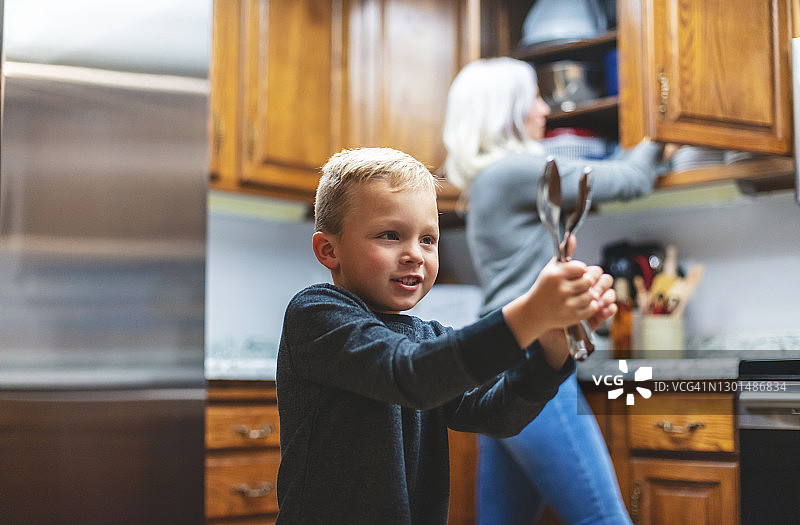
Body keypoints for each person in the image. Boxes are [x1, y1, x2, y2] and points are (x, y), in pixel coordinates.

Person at [275, 147, 618, 524]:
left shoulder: (428, 337)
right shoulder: (316, 313)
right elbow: (410, 375)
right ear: (329, 250)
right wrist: (530, 313)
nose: (415, 254)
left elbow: (499, 417)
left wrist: (551, 344)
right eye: (391, 235)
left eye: (428, 239)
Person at [442, 57, 664, 525]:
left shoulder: (490, 180)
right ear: (507, 112)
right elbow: (628, 180)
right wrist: (665, 130)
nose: (545, 109)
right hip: (532, 358)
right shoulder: (516, 172)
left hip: (498, 359)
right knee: (604, 520)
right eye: (533, 99)